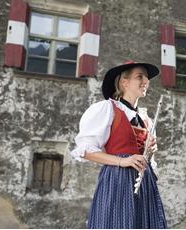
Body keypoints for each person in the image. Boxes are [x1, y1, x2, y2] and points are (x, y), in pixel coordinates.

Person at [70, 61, 167, 229]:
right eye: (140, 77)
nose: (146, 81)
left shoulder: (147, 120)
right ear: (124, 82)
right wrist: (123, 161)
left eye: (147, 77)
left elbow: (148, 161)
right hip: (117, 180)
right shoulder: (107, 109)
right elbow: (85, 150)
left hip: (145, 183)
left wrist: (150, 153)